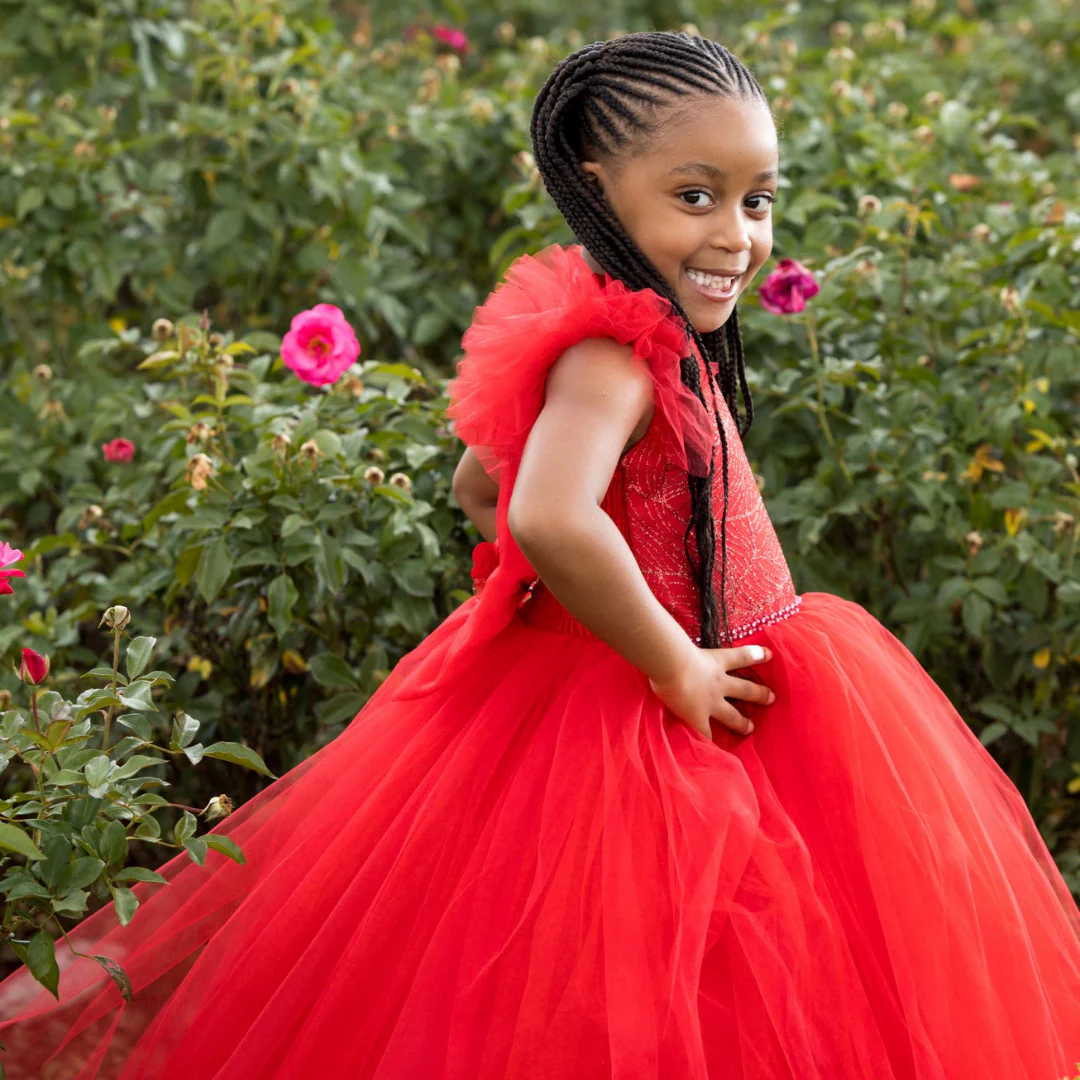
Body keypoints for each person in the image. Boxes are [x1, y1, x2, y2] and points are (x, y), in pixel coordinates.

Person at [2, 29, 1079, 1080]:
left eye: (757, 200)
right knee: (665, 971)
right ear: (601, 186)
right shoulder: (615, 356)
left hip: (669, 675)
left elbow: (485, 484)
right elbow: (550, 517)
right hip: (667, 695)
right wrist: (667, 657)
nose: (736, 234)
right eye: (694, 196)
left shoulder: (620, 332)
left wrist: (573, 608)